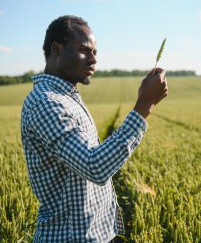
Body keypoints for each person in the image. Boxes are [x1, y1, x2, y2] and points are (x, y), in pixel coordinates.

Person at [21, 15, 168, 242]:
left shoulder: (66, 98)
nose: (93, 59)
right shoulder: (47, 103)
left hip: (94, 235)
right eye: (84, 50)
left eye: (95, 52)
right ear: (57, 49)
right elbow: (95, 166)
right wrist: (144, 105)